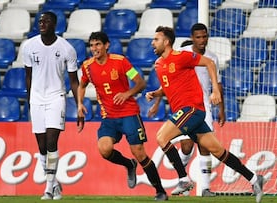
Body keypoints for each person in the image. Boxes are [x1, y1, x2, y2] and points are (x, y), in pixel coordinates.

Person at [146, 26, 264, 203]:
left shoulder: (181, 56)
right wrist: (156, 94)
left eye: (156, 39)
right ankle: (254, 179)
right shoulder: (160, 65)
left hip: (192, 109)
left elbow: (209, 62)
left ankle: (184, 179)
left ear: (166, 41)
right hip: (183, 111)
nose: (152, 43)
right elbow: (169, 86)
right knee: (217, 151)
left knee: (162, 137)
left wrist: (215, 91)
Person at [76, 31, 168, 201]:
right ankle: (128, 164)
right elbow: (81, 85)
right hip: (109, 117)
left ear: (106, 45)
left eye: (98, 44)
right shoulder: (87, 66)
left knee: (139, 153)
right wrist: (80, 104)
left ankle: (159, 190)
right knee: (104, 149)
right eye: (91, 45)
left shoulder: (120, 61)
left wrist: (127, 93)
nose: (94, 48)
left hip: (129, 113)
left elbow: (141, 83)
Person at [148, 23, 226, 197]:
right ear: (192, 38)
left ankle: (204, 188)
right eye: (198, 37)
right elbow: (167, 82)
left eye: (204, 36)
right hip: (186, 105)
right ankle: (182, 178)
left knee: (205, 147)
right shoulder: (184, 53)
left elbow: (218, 83)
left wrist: (221, 108)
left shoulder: (211, 57)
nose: (202, 40)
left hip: (204, 104)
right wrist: (156, 101)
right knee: (186, 145)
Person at [23, 11, 79, 200]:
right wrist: (30, 100)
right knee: (41, 146)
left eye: (46, 21)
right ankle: (55, 184)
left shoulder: (67, 48)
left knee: (51, 142)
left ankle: (48, 188)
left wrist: (79, 104)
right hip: (37, 99)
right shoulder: (29, 46)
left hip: (57, 97)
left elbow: (73, 80)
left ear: (55, 24)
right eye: (40, 21)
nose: (42, 23)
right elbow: (28, 76)